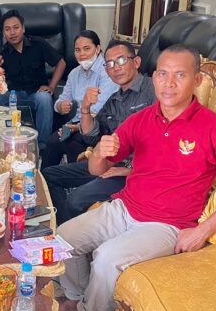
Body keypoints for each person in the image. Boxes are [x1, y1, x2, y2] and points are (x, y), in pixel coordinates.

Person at [56, 44, 216, 311]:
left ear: (197, 80)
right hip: (125, 207)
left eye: (180, 75)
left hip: (167, 225)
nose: (169, 83)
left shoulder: (215, 128)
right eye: (163, 74)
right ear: (154, 78)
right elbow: (97, 170)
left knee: (107, 257)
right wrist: (99, 151)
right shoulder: (140, 120)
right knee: (63, 237)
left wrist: (203, 231)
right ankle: (76, 297)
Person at [43, 40, 155, 224]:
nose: (115, 68)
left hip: (136, 173)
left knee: (75, 200)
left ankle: (66, 233)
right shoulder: (114, 100)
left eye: (121, 60)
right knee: (49, 173)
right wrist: (85, 108)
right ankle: (61, 227)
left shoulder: (153, 90)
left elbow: (164, 141)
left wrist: (130, 170)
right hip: (109, 163)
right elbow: (92, 136)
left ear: (136, 62)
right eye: (109, 64)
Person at [42, 30, 119, 167]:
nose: (81, 54)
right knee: (53, 141)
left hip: (99, 126)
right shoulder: (74, 73)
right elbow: (60, 101)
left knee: (73, 146)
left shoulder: (107, 71)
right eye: (77, 50)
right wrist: (60, 106)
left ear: (98, 49)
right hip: (74, 124)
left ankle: (75, 178)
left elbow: (99, 111)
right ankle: (43, 177)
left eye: (86, 48)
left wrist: (77, 128)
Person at [0, 10, 67, 148]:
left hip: (36, 93)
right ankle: (4, 141)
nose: (12, 32)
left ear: (23, 29)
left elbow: (61, 63)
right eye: (7, 29)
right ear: (3, 33)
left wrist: (51, 86)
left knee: (44, 98)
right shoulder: (2, 53)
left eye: (16, 27)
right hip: (14, 94)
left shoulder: (38, 44)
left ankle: (43, 146)